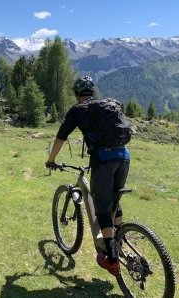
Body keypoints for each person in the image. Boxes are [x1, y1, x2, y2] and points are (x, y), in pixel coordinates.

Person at [46, 76, 130, 276]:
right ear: (92, 93)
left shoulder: (78, 110)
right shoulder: (107, 106)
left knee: (102, 209)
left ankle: (111, 260)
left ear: (76, 94)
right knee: (114, 201)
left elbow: (61, 137)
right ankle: (121, 245)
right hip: (124, 156)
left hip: (103, 159)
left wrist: (51, 159)